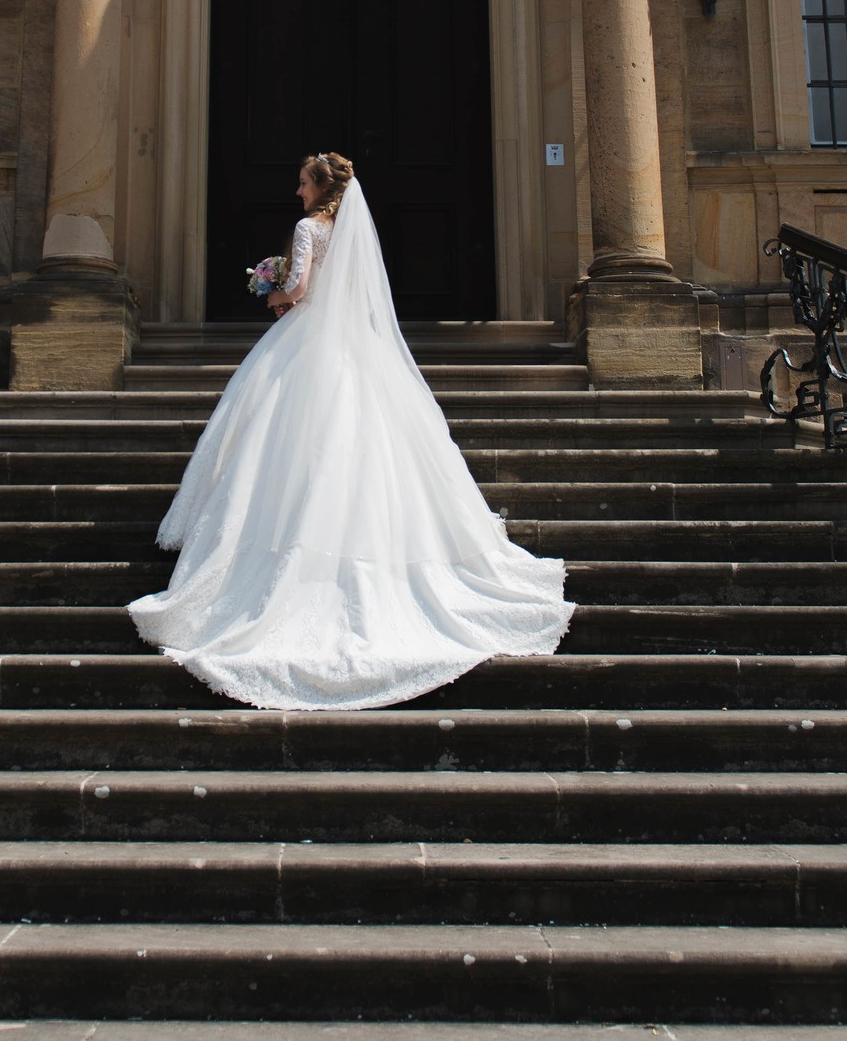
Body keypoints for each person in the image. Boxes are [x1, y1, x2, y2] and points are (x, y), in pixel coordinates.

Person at [128, 152, 574, 710]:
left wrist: (270, 290)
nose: (297, 192)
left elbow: (299, 287)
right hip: (353, 349)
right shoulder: (352, 232)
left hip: (308, 343)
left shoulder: (308, 228)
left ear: (320, 187)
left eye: (302, 182)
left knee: (287, 438)